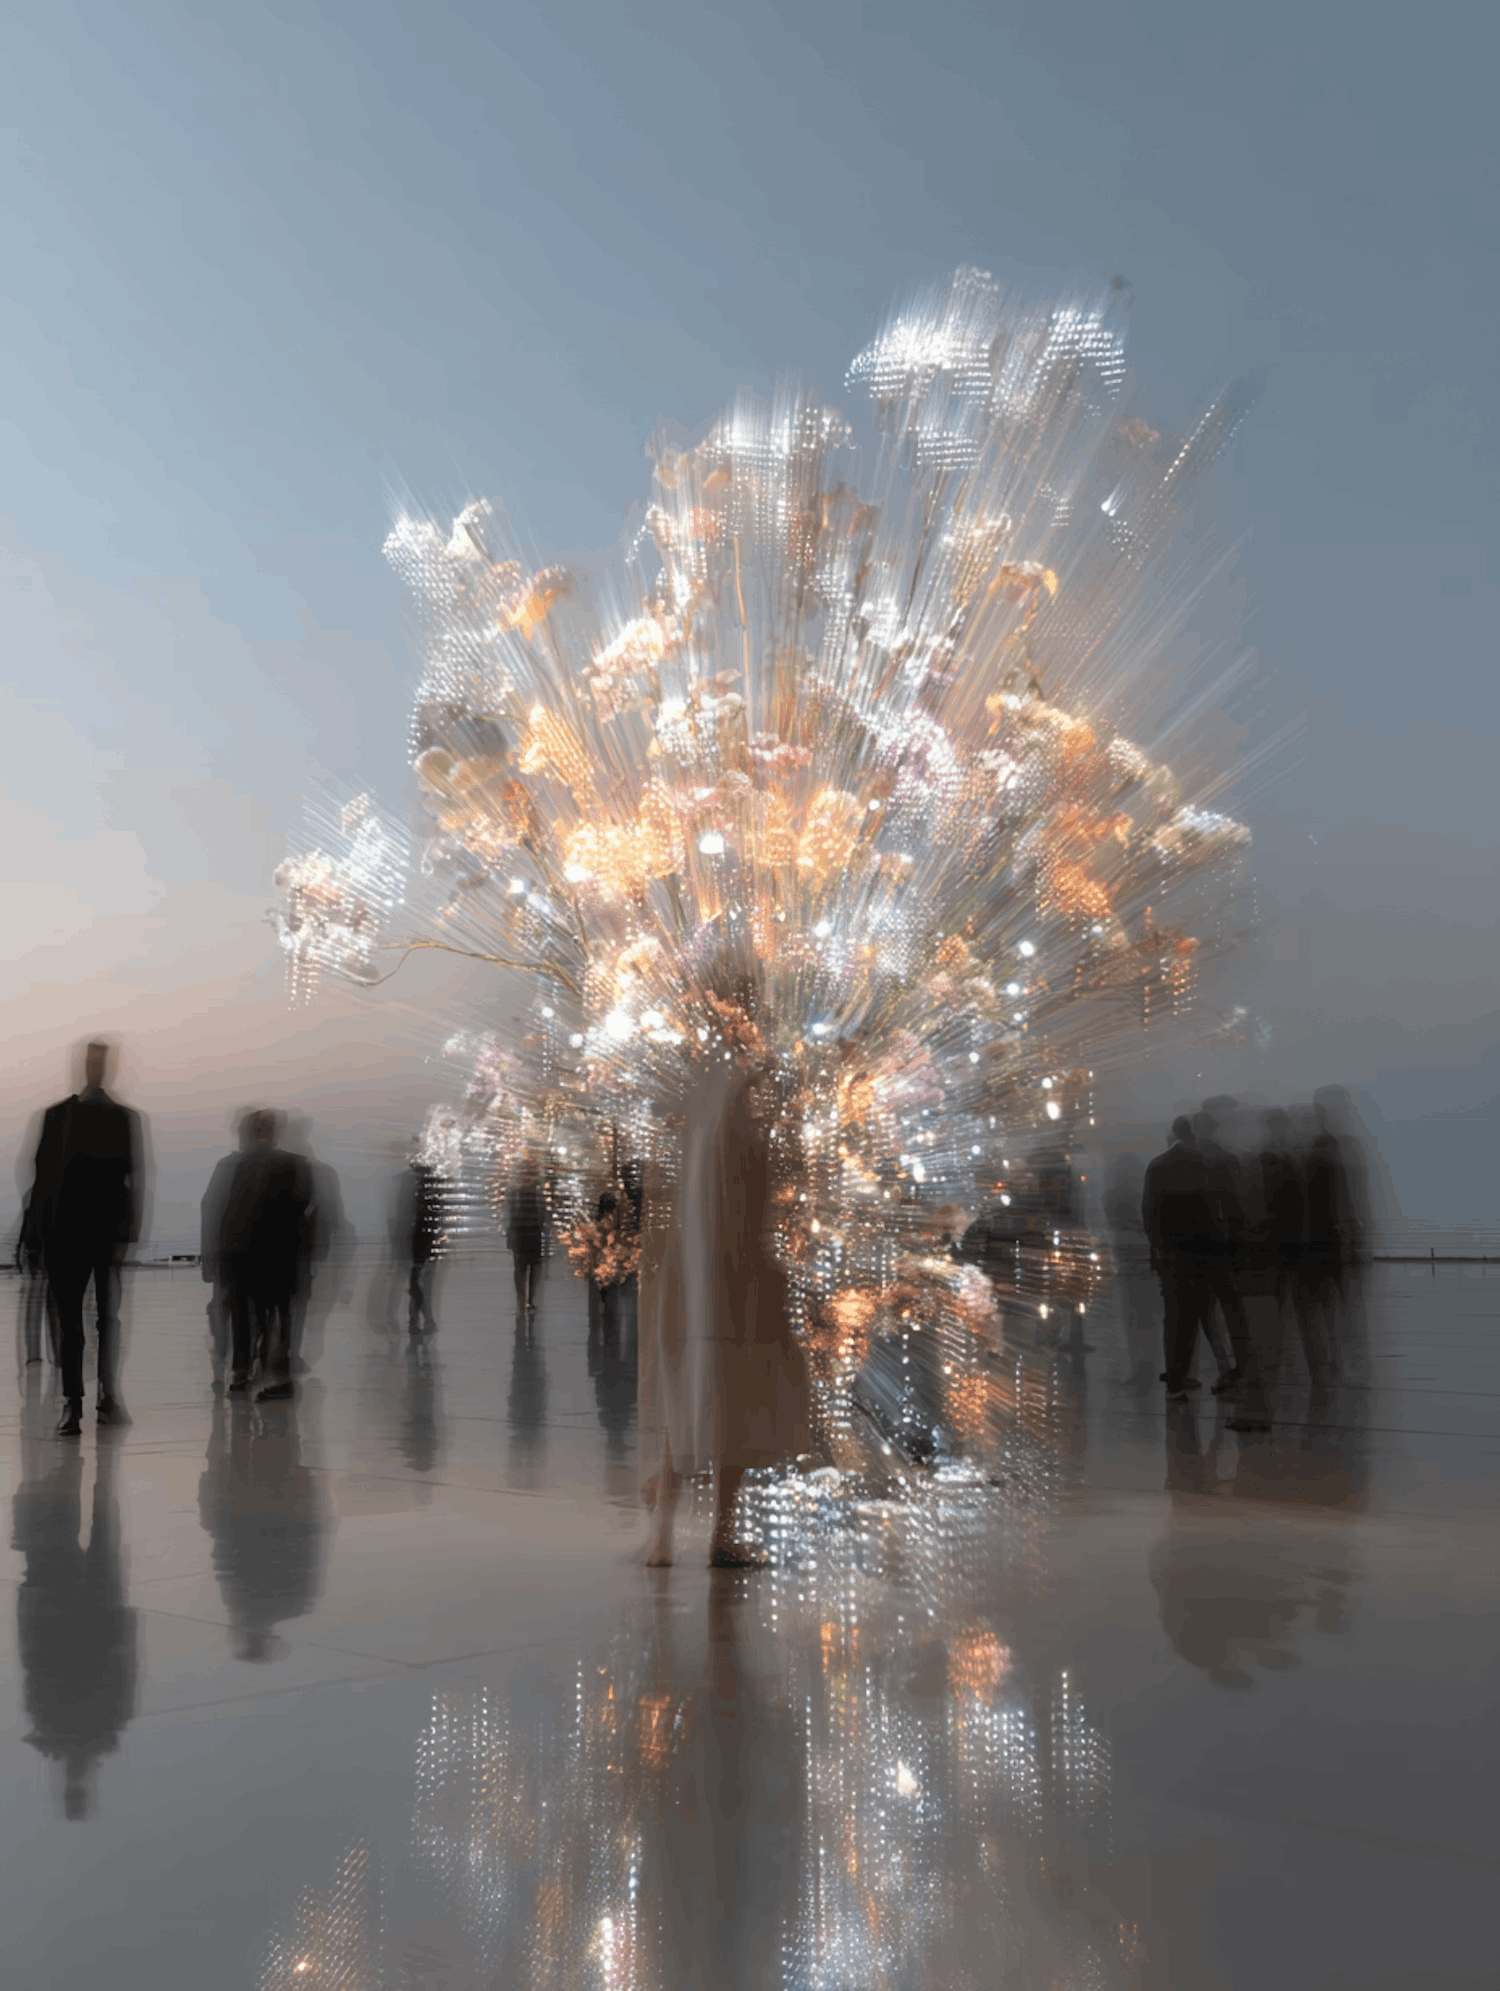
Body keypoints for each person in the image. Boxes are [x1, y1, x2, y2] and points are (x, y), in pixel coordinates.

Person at [27, 1041, 145, 1436]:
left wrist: (129, 1230)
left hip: (101, 1232)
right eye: (92, 1062)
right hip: (67, 1232)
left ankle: (105, 1397)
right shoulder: (59, 1116)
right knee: (74, 1324)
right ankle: (74, 1403)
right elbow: (42, 1176)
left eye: (100, 1062)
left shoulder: (120, 1118)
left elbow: (132, 1177)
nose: (96, 1068)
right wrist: (34, 1232)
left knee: (105, 1321)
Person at [217, 1109, 315, 1401]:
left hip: (246, 1255)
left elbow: (228, 1213)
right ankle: (278, 1377)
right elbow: (304, 1208)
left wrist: (221, 1258)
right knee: (278, 1316)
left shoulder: (238, 1165)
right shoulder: (294, 1164)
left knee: (246, 1317)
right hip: (280, 1256)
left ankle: (242, 1374)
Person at [1140, 1116, 1213, 1401]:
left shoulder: (1157, 1165)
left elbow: (1149, 1212)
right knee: (1193, 1314)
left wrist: (1156, 1248)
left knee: (1173, 1315)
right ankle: (1182, 1373)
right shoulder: (1202, 1162)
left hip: (1169, 1252)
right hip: (1197, 1250)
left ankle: (1174, 1377)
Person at [201, 1111, 255, 1382]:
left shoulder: (227, 1165)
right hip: (246, 1251)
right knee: (244, 1309)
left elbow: (209, 1207)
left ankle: (226, 1359)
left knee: (226, 1306)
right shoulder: (262, 1166)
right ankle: (240, 1368)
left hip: (227, 1250)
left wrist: (208, 1255)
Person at [506, 1156, 547, 1314]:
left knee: (529, 1267)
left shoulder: (535, 1191)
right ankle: (523, 1299)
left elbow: (543, 1212)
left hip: (531, 1232)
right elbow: (510, 1213)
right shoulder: (518, 1191)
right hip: (523, 1232)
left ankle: (527, 1300)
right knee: (522, 1268)